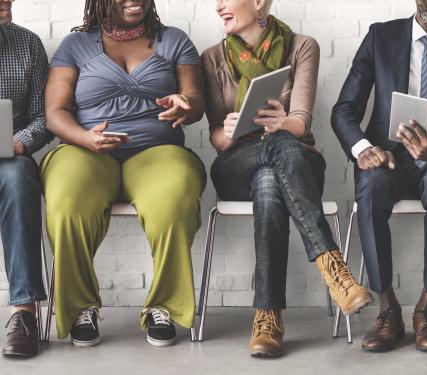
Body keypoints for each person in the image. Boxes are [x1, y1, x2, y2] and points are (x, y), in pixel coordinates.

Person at [203, 0, 373, 358]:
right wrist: (231, 131)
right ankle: (333, 267)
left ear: (259, 2)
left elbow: (301, 122)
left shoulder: (302, 46)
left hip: (296, 159)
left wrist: (282, 124)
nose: (219, 6)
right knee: (270, 157)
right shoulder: (213, 58)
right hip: (236, 162)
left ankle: (267, 317)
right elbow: (215, 139)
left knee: (270, 177)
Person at [41, 0, 206, 347]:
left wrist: (185, 105)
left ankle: (164, 307)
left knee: (174, 197)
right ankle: (80, 308)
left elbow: (195, 97)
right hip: (85, 149)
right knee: (66, 199)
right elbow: (55, 112)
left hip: (157, 151)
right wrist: (84, 137)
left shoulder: (174, 40)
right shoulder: (76, 45)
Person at [332, 0, 427, 352]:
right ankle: (387, 308)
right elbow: (344, 109)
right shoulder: (380, 38)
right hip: (388, 158)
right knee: (370, 185)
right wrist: (363, 149)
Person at [0, 0, 53, 358]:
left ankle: (24, 313)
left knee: (19, 182)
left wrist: (20, 142)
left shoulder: (29, 44)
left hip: (10, 156)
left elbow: (44, 116)